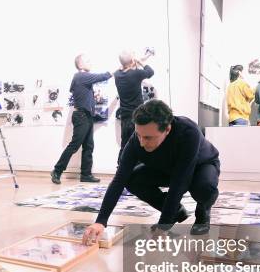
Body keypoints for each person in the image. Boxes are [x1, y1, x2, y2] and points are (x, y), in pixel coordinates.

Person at [82, 99, 221, 243]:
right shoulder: (136, 140)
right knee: (131, 179)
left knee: (204, 188)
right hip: (166, 168)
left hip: (201, 165)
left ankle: (203, 212)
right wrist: (101, 221)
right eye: (139, 135)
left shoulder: (188, 131)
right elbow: (119, 180)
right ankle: (176, 212)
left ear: (167, 129)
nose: (142, 142)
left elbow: (180, 182)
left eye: (148, 137)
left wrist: (163, 227)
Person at [51, 54, 112, 184]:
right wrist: (117, 68)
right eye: (87, 60)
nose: (90, 62)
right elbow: (103, 76)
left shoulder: (81, 78)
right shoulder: (81, 76)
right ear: (80, 64)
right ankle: (57, 170)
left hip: (87, 116)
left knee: (89, 146)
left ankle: (86, 174)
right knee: (74, 145)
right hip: (81, 116)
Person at [114, 50, 154, 161]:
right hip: (137, 116)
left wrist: (133, 61)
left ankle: (120, 168)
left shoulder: (117, 75)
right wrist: (141, 61)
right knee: (140, 144)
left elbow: (125, 67)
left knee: (125, 144)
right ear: (132, 61)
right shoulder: (136, 74)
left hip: (125, 116)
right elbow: (150, 72)